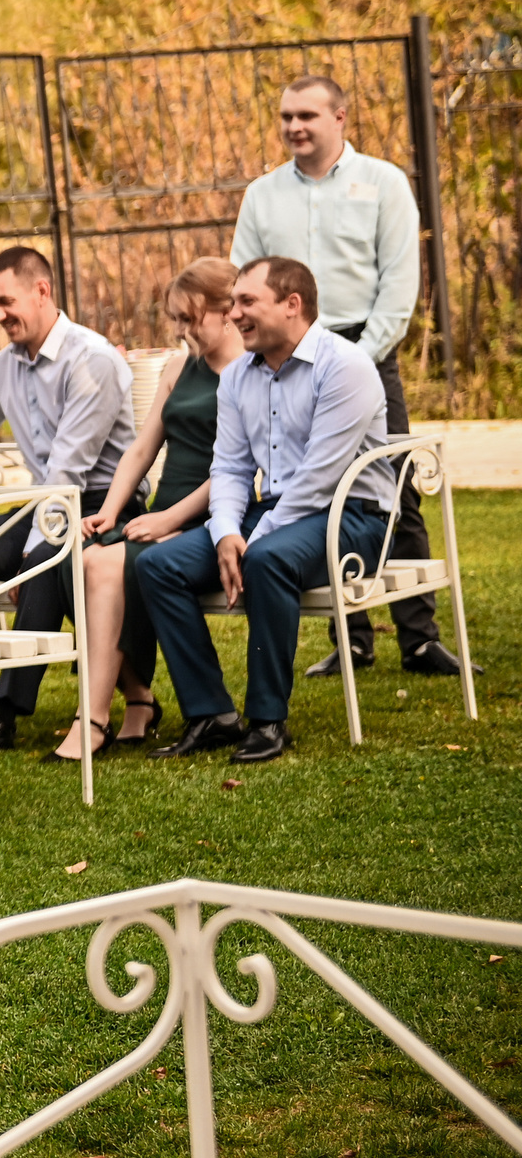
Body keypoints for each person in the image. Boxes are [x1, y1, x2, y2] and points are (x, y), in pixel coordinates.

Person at [232, 75, 461, 679]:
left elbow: (399, 285)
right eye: (286, 116)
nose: (294, 126)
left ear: (340, 117)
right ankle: (351, 638)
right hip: (286, 358)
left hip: (364, 354)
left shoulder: (384, 183)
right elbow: (243, 276)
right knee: (307, 487)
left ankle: (419, 638)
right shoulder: (261, 195)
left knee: (394, 487)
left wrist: (353, 362)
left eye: (307, 115)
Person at [136, 257, 395, 766]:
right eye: (232, 303)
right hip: (275, 512)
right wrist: (225, 533)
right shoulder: (237, 377)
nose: (233, 314)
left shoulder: (346, 366)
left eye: (246, 301)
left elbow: (318, 479)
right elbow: (230, 468)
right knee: (158, 565)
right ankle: (211, 713)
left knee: (267, 558)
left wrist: (251, 543)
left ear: (292, 304)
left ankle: (267, 721)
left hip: (352, 516)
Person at [0, 247, 140, 757]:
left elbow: (69, 468)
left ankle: (6, 710)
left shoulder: (92, 359)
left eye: (5, 301)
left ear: (42, 291)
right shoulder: (5, 365)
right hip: (45, 501)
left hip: (106, 504)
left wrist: (33, 548)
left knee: (46, 557)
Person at [62, 259, 246, 760]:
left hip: (211, 515)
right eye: (176, 319)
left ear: (227, 310)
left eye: (191, 318)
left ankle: (92, 718)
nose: (181, 330)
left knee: (105, 565)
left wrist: (171, 520)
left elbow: (237, 471)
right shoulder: (178, 368)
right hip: (159, 513)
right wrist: (111, 510)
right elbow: (142, 449)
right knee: (81, 556)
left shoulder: (249, 372)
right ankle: (135, 701)